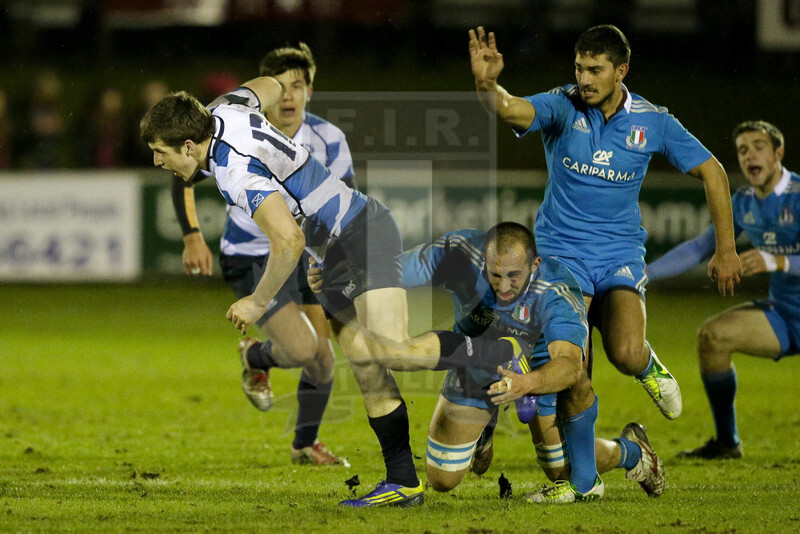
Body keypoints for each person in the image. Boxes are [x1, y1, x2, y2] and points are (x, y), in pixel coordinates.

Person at [141, 78, 424, 507]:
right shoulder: (225, 109)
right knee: (367, 366)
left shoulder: (235, 171)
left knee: (395, 353)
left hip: (361, 233)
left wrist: (257, 301)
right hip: (332, 255)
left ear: (186, 145)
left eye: (160, 152)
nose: (157, 161)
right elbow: (270, 86)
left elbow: (287, 240)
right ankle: (402, 479)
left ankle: (492, 359)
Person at [468, 24, 743, 421]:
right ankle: (585, 474)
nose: (584, 79)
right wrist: (487, 85)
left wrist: (727, 248)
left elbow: (713, 172)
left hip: (619, 253)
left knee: (627, 353)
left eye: (595, 70)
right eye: (579, 68)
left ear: (621, 71)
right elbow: (510, 108)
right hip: (562, 255)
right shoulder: (562, 105)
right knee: (575, 371)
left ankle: (648, 367)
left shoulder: (653, 122)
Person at [309, 222, 666, 502]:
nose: (504, 286)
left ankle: (632, 453)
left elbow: (571, 365)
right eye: (495, 275)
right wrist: (340, 275)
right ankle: (486, 424)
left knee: (560, 469)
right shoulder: (459, 253)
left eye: (514, 276)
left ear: (535, 265)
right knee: (442, 478)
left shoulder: (556, 291)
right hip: (477, 356)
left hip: (536, 367)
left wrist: (527, 384)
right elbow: (394, 271)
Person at [171, 44, 352, 466]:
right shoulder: (235, 129)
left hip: (306, 256)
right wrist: (192, 235)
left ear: (310, 90)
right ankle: (255, 355)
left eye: (299, 86)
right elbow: (179, 169)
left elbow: (340, 200)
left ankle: (304, 445)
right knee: (306, 350)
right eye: (283, 87)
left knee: (324, 359)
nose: (289, 96)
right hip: (253, 256)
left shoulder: (329, 138)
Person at [648, 120, 800, 459]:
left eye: (758, 148)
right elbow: (699, 248)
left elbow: (780, 261)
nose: (749, 156)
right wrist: (645, 275)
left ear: (778, 153)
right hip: (787, 316)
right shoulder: (744, 201)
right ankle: (727, 442)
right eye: (743, 150)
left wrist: (779, 263)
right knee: (712, 338)